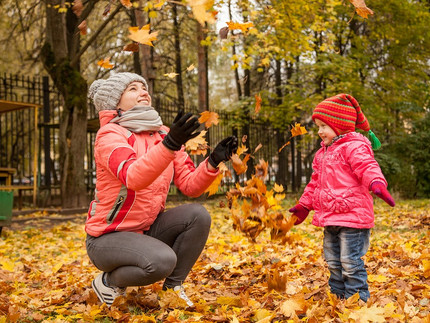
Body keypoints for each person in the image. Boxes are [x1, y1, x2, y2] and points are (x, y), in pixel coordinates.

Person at [85, 72, 238, 307]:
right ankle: (109, 280)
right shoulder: (110, 135)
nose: (143, 92)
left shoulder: (163, 133)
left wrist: (213, 162)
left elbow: (189, 185)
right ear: (115, 102)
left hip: (146, 230)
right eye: (133, 89)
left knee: (198, 215)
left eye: (143, 88)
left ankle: (172, 289)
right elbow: (133, 176)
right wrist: (169, 145)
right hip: (107, 237)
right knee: (161, 261)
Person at [289, 93, 395, 302]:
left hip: (353, 219)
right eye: (318, 126)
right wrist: (304, 205)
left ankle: (357, 301)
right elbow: (315, 183)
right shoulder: (323, 153)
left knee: (350, 262)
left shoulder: (354, 146)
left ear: (339, 124)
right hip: (331, 217)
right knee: (333, 262)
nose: (319, 131)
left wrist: (377, 184)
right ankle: (337, 299)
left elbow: (367, 167)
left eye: (323, 126)